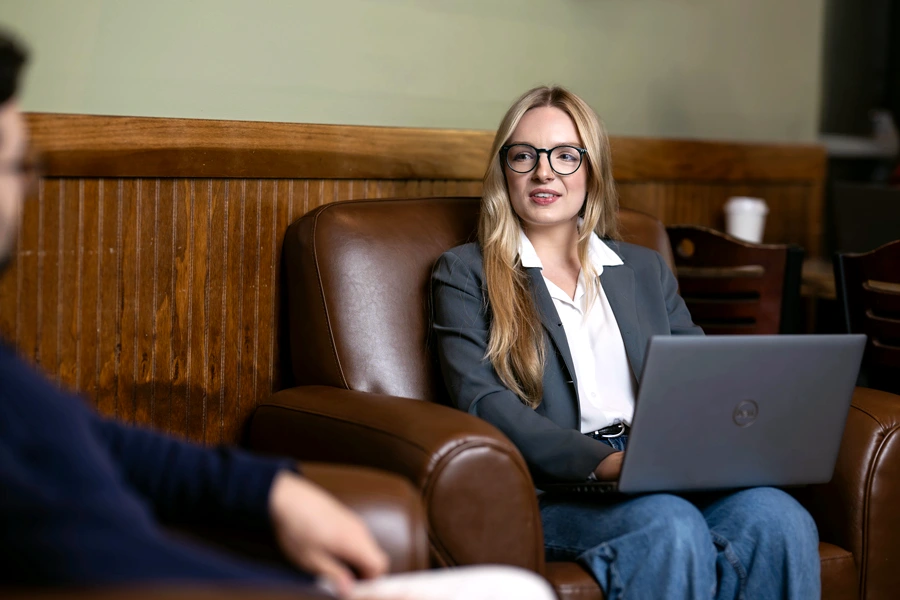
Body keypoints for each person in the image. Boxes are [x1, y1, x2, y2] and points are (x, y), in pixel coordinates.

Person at [0, 30, 555, 600]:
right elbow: (94, 558)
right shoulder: (463, 272)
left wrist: (272, 491)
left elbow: (93, 441)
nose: (30, 187)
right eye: (15, 164)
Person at [431, 86, 821, 600]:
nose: (544, 172)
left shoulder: (642, 268)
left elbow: (700, 377)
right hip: (555, 487)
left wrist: (736, 440)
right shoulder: (465, 272)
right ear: (505, 170)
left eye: (566, 156)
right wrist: (602, 460)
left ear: (591, 171)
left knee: (778, 516)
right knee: (668, 523)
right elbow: (483, 402)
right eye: (524, 155)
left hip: (660, 460)